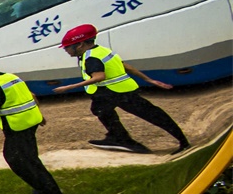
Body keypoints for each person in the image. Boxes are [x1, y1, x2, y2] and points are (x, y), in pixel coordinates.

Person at [0, 53, 81, 194]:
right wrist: (39, 115)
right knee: (30, 159)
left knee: (22, 162)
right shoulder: (11, 77)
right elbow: (31, 96)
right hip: (29, 124)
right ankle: (42, 188)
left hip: (17, 128)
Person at [51, 23, 189, 153]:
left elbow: (99, 77)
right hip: (108, 92)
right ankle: (119, 137)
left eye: (67, 47)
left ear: (80, 44)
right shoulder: (101, 50)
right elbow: (125, 66)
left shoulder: (91, 58)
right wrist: (149, 79)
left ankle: (182, 142)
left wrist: (69, 87)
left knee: (152, 114)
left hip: (116, 93)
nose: (66, 50)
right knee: (100, 109)